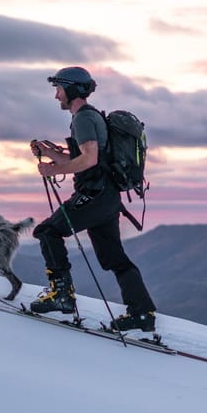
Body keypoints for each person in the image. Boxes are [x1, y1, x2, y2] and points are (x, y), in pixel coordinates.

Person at [28, 66, 158, 332]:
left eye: (59, 89)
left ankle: (61, 295)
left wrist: (53, 169)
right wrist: (48, 152)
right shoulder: (89, 117)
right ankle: (142, 313)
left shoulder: (84, 119)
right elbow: (83, 160)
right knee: (114, 258)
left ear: (73, 90)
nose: (56, 96)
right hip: (107, 197)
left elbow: (89, 159)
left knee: (47, 231)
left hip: (95, 195)